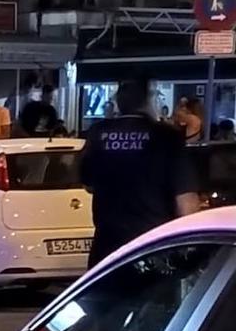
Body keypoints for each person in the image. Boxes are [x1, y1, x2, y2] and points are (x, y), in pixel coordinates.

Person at [80, 78, 200, 271]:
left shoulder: (98, 133)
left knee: (105, 300)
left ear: (119, 100)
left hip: (107, 248)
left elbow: (88, 184)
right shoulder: (166, 137)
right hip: (153, 248)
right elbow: (186, 202)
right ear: (148, 101)